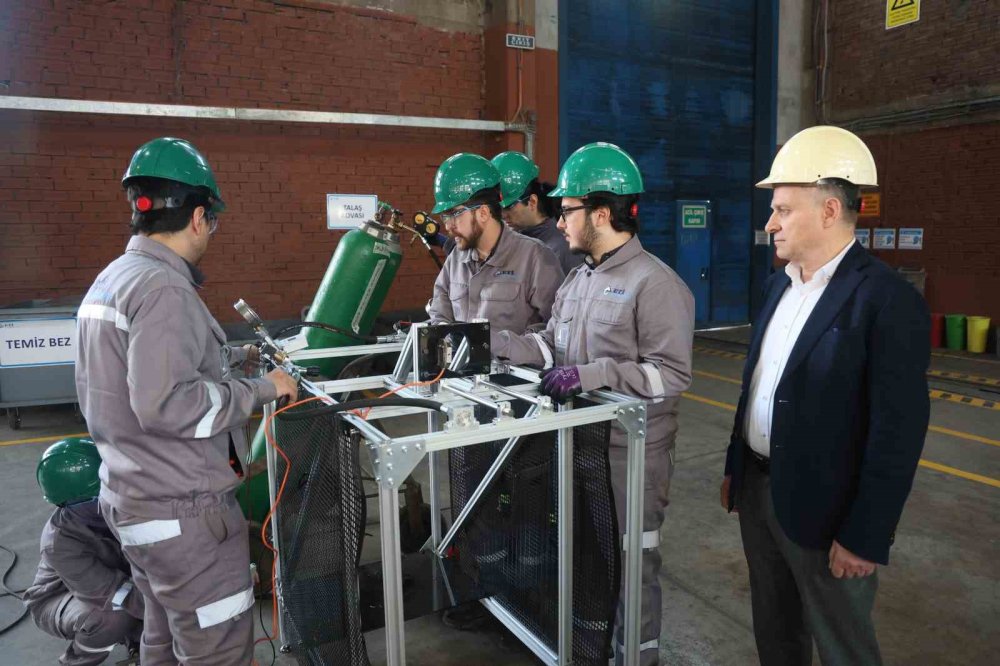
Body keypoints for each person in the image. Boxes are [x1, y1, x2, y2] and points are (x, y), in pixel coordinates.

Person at [75, 137, 298, 665]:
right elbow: (167, 404)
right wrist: (264, 388)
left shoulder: (113, 279)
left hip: (135, 504)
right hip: (184, 515)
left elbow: (136, 375)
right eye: (212, 222)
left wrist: (235, 357)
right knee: (217, 649)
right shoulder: (165, 290)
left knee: (163, 641)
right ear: (198, 217)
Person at [719, 125, 930, 666]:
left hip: (829, 513)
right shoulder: (777, 286)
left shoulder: (886, 301)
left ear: (830, 211)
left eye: (783, 210)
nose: (770, 224)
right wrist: (735, 466)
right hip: (759, 493)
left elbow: (897, 433)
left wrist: (866, 534)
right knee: (776, 633)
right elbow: (757, 385)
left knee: (843, 645)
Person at [491, 142, 695, 665]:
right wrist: (493, 343)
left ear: (601, 213)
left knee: (631, 565)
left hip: (630, 457)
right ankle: (590, 649)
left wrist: (595, 374)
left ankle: (636, 657)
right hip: (578, 445)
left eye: (568, 210)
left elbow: (671, 375)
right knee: (586, 558)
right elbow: (549, 346)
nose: (559, 222)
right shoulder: (579, 278)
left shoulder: (655, 284)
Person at [23, 438, 143, 666]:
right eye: (104, 492)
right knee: (113, 616)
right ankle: (77, 661)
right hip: (59, 597)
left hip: (112, 585)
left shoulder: (118, 510)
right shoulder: (60, 543)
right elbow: (114, 593)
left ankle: (138, 643)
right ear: (72, 503)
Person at [426, 152, 565, 332]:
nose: (448, 226)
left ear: (483, 213)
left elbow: (554, 330)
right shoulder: (456, 259)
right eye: (445, 216)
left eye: (454, 214)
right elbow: (439, 313)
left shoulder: (535, 258)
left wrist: (505, 345)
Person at [492, 150, 583, 274]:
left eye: (508, 207)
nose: (503, 215)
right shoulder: (507, 242)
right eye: (499, 209)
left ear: (532, 202)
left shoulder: (559, 250)